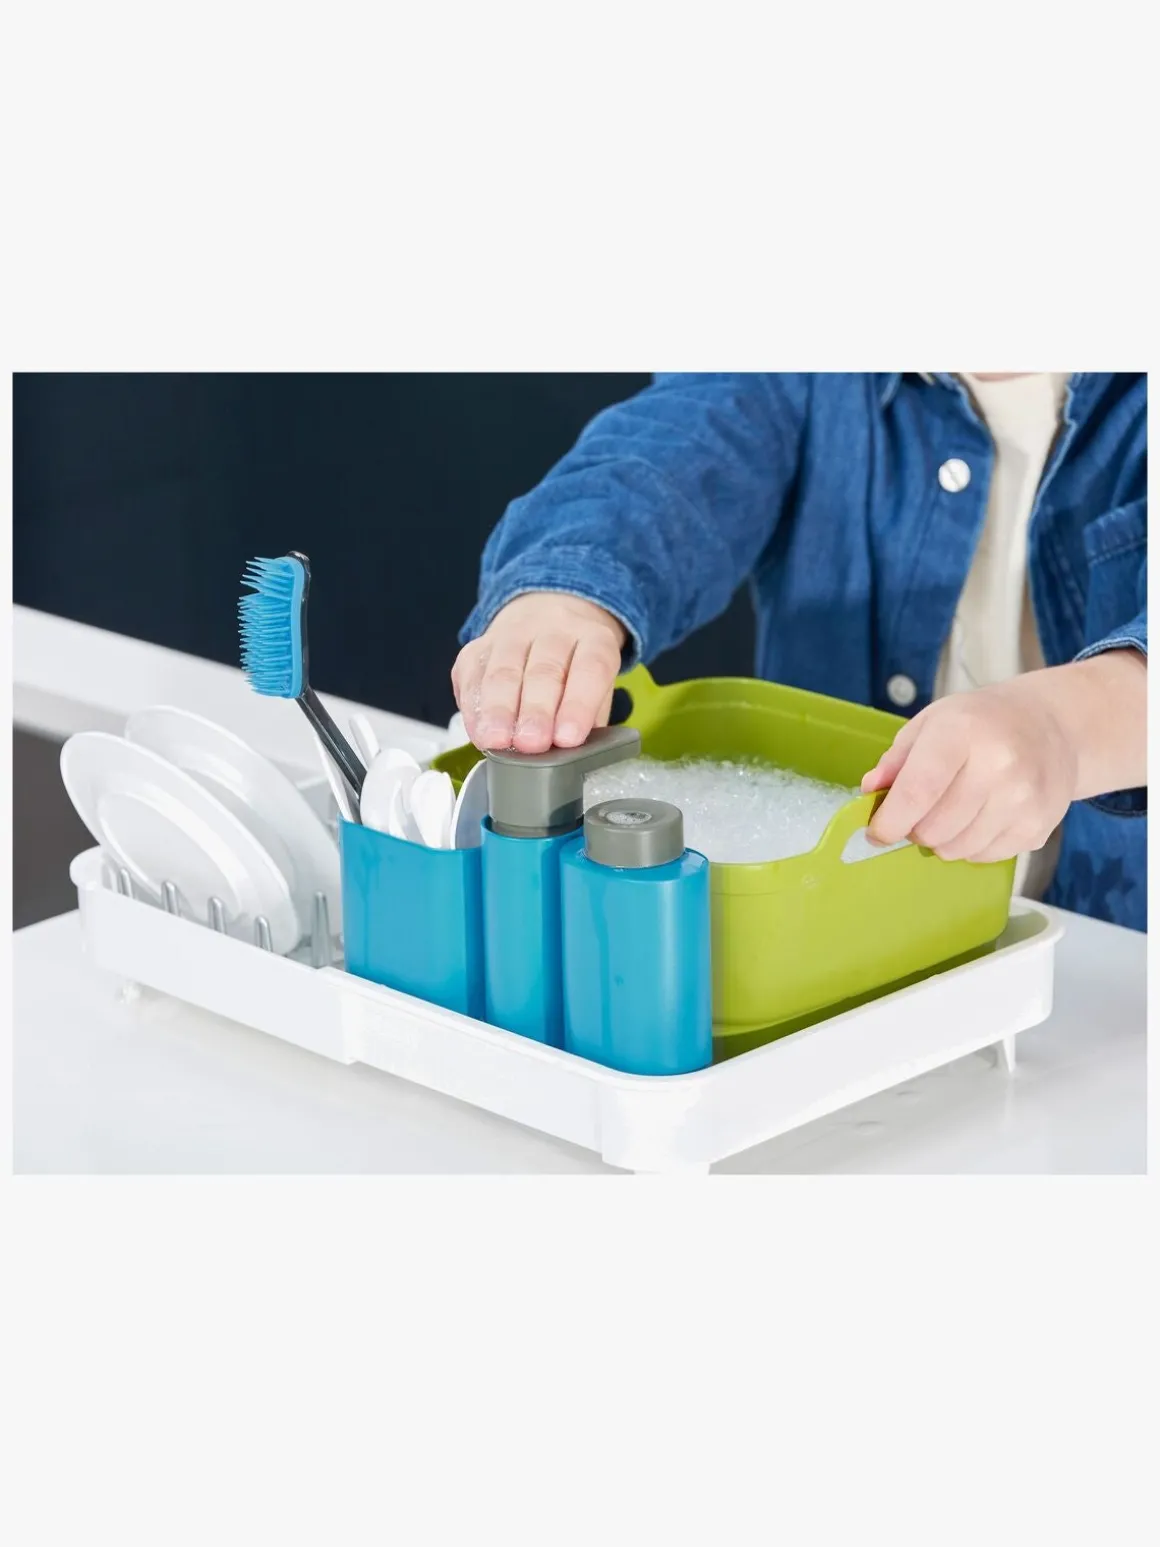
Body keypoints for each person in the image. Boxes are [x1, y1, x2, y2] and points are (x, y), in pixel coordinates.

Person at [452, 374, 1147, 930]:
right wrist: (565, 596)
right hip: (829, 938)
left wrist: (1063, 727)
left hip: (1111, 962)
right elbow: (669, 451)